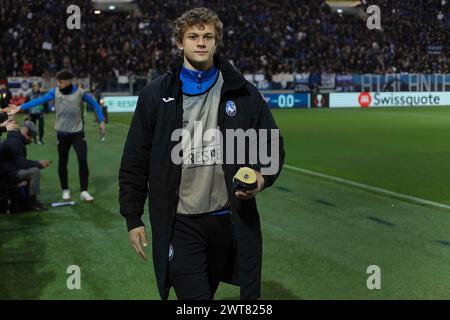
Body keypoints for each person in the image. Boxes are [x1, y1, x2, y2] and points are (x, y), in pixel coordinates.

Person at [119, 7, 285, 300]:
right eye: (193, 36)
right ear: (179, 42)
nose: (201, 42)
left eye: (208, 36)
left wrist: (262, 178)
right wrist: (132, 217)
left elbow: (271, 145)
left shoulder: (242, 92)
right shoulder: (155, 95)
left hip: (228, 221)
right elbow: (135, 159)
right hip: (180, 222)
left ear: (216, 42)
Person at [5, 69, 106, 202]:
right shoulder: (55, 92)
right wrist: (20, 107)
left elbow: (94, 103)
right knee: (63, 161)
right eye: (57, 81)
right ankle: (65, 189)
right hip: (62, 133)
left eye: (61, 81)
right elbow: (39, 100)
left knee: (82, 160)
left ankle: (84, 191)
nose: (58, 83)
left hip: (77, 133)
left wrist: (101, 120)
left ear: (68, 81)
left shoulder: (80, 93)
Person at [0, 121, 51, 211]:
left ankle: (29, 201)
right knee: (35, 172)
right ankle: (32, 203)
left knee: (32, 169)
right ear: (26, 132)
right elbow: (22, 164)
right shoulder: (15, 143)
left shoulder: (14, 139)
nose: (30, 139)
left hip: (7, 170)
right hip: (7, 173)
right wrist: (39, 164)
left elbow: (20, 162)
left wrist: (37, 163)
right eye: (30, 136)